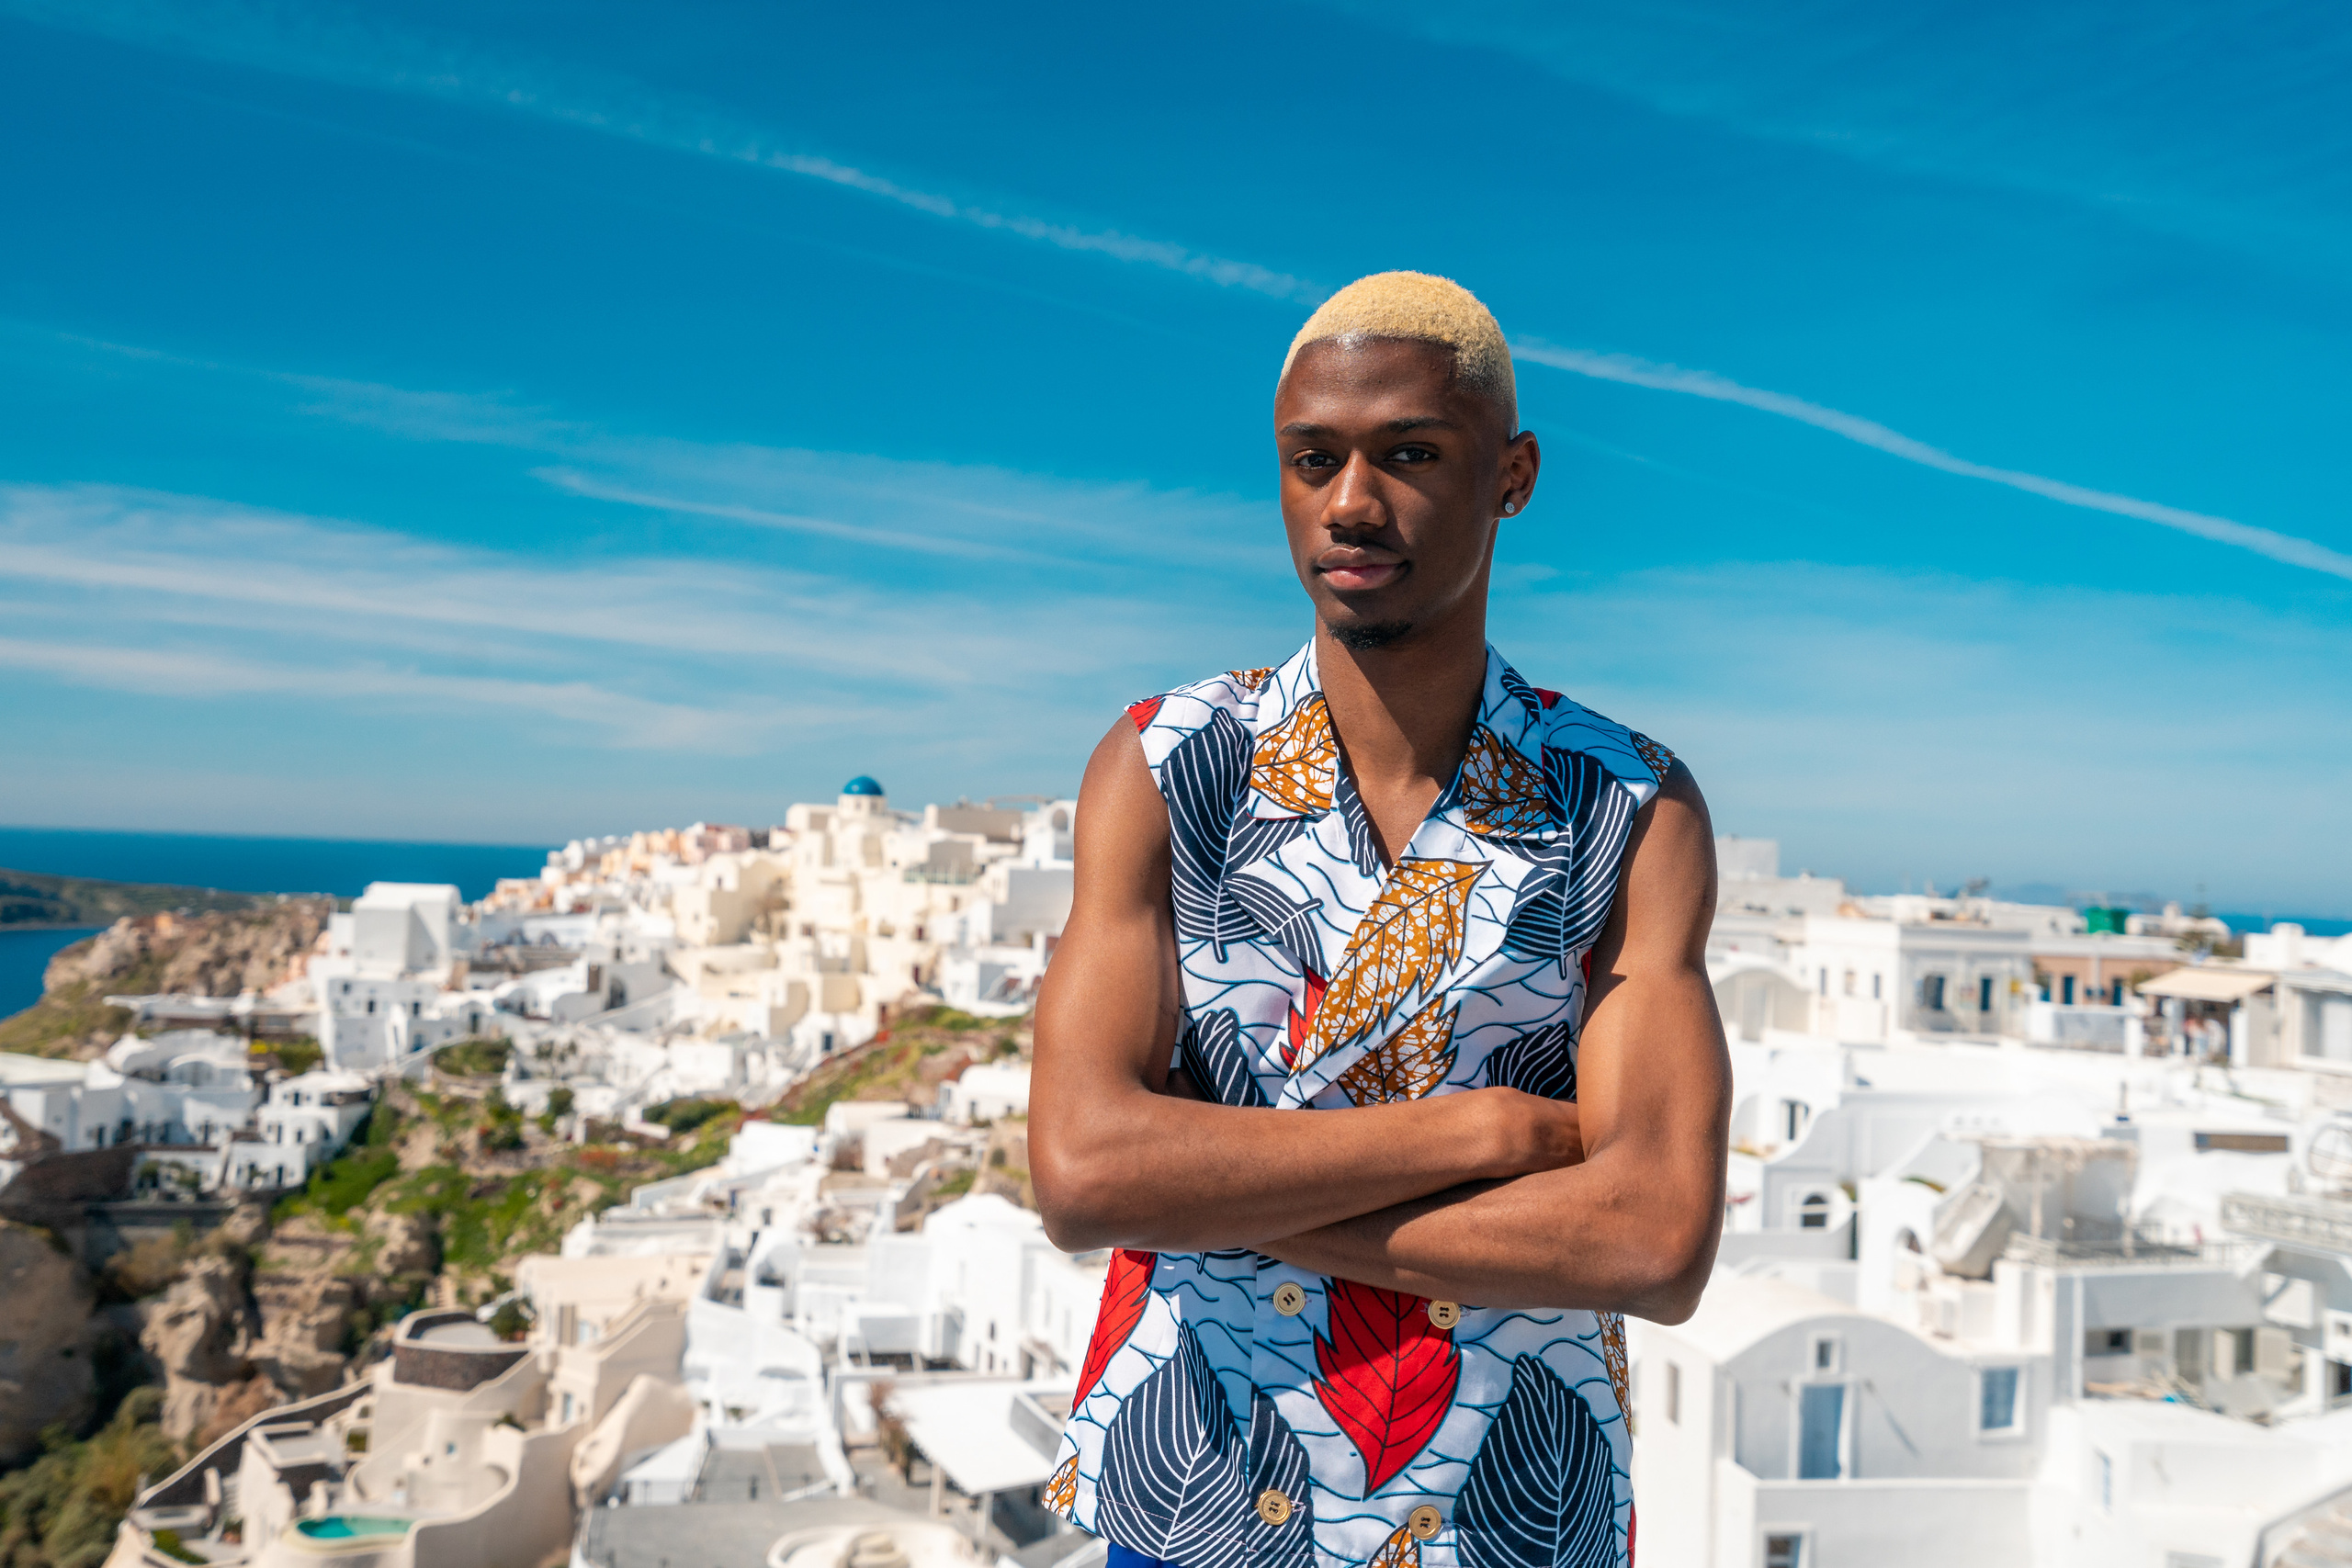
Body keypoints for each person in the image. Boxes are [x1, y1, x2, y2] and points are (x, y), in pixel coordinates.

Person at [1030, 272, 1731, 1568]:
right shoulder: (1167, 765)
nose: (1352, 503)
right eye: (1314, 460)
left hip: (1512, 1519)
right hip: (1200, 1506)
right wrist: (1491, 1132)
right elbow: (1083, 1173)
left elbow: (1652, 1237)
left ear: (1511, 477)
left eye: (1411, 454)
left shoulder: (1626, 804)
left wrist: (1214, 1187)